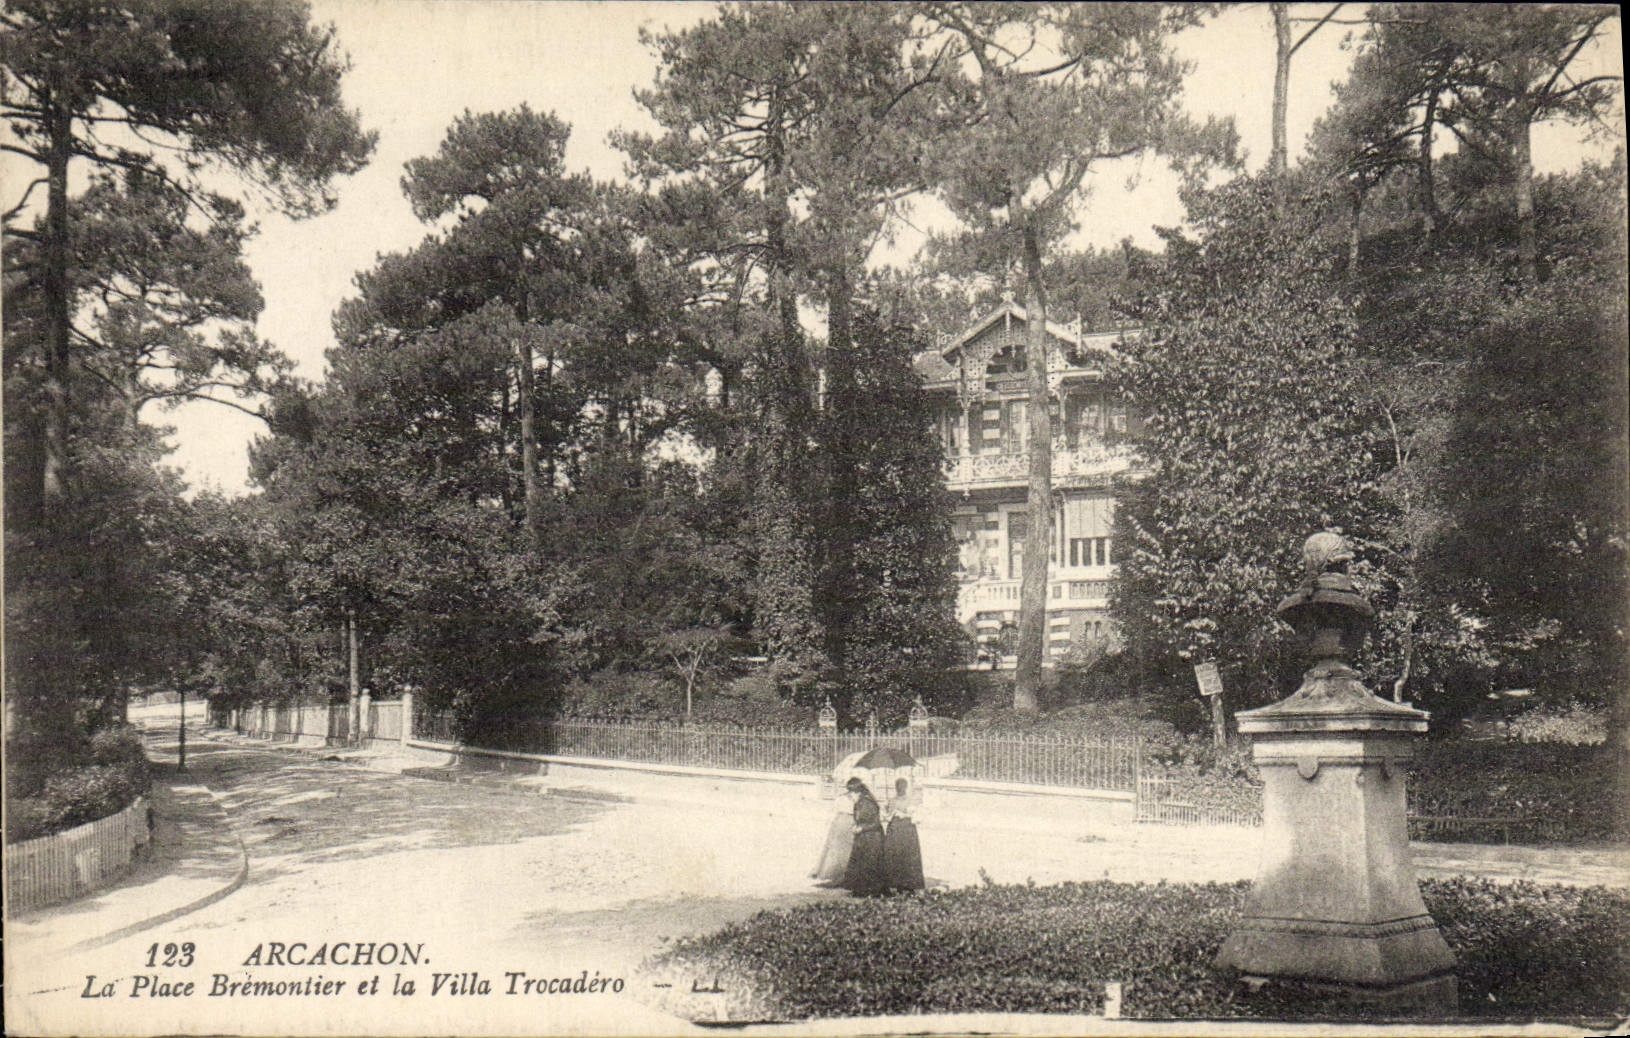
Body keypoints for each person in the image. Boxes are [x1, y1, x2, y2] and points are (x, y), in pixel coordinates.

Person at [839, 777, 887, 896]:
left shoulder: (867, 803)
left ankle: (869, 892)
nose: (850, 796)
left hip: (873, 838)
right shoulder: (859, 802)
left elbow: (876, 823)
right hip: (864, 837)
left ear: (858, 792)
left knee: (869, 865)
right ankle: (860, 890)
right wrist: (857, 826)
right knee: (860, 864)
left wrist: (861, 828)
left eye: (852, 793)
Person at [883, 777, 925, 892]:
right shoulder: (891, 800)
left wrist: (905, 815)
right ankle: (895, 883)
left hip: (907, 830)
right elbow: (886, 816)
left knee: (908, 855)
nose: (899, 789)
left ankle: (909, 883)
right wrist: (886, 809)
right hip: (894, 830)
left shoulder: (912, 800)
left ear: (905, 788)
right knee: (894, 855)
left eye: (901, 787)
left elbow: (918, 817)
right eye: (898, 787)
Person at [810, 787, 855, 886]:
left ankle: (837, 870)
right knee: (840, 847)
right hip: (846, 820)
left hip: (842, 820)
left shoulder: (842, 798)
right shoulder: (850, 798)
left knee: (840, 847)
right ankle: (836, 871)